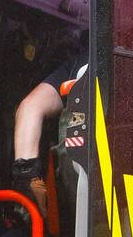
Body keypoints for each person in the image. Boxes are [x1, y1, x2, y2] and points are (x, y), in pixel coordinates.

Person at [10, 54, 89, 218]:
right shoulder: (83, 63)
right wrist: (29, 182)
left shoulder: (82, 62)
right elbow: (31, 107)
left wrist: (27, 180)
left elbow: (30, 108)